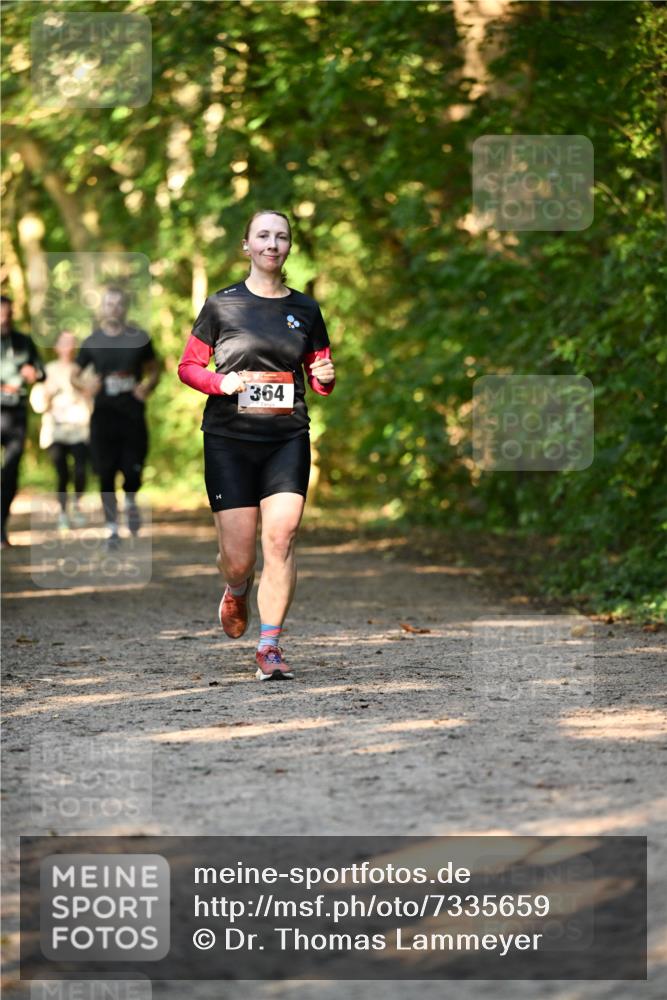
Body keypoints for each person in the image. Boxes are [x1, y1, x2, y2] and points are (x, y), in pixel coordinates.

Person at [178, 210, 335, 681]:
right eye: (263, 236)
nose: (273, 243)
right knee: (240, 555)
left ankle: (269, 646)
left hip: (287, 438)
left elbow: (319, 371)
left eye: (281, 236)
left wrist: (326, 378)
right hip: (229, 440)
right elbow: (188, 367)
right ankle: (236, 585)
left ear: (289, 247)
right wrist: (220, 383)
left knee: (281, 538)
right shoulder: (222, 305)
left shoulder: (306, 309)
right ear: (246, 245)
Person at [71, 285, 160, 548]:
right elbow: (73, 375)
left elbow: (154, 369)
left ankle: (130, 500)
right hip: (103, 415)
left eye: (118, 304)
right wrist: (85, 387)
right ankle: (111, 529)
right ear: (102, 308)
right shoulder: (92, 341)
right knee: (106, 472)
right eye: (108, 304)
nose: (113, 308)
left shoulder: (140, 338)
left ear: (125, 307)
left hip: (132, 414)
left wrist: (147, 386)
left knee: (133, 470)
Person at [30, 330, 93, 530]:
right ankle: (63, 513)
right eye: (64, 343)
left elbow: (93, 395)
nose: (68, 347)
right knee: (62, 473)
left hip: (80, 430)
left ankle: (77, 504)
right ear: (56, 347)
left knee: (81, 471)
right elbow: (37, 403)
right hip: (55, 431)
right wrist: (47, 394)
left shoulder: (85, 369)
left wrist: (84, 392)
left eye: (71, 343)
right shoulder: (48, 370)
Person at [1, 294, 45, 547]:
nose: (5, 319)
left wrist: (34, 373)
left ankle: (1, 525)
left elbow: (42, 372)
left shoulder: (23, 341)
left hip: (16, 416)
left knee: (10, 472)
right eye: (1, 315)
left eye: (8, 314)